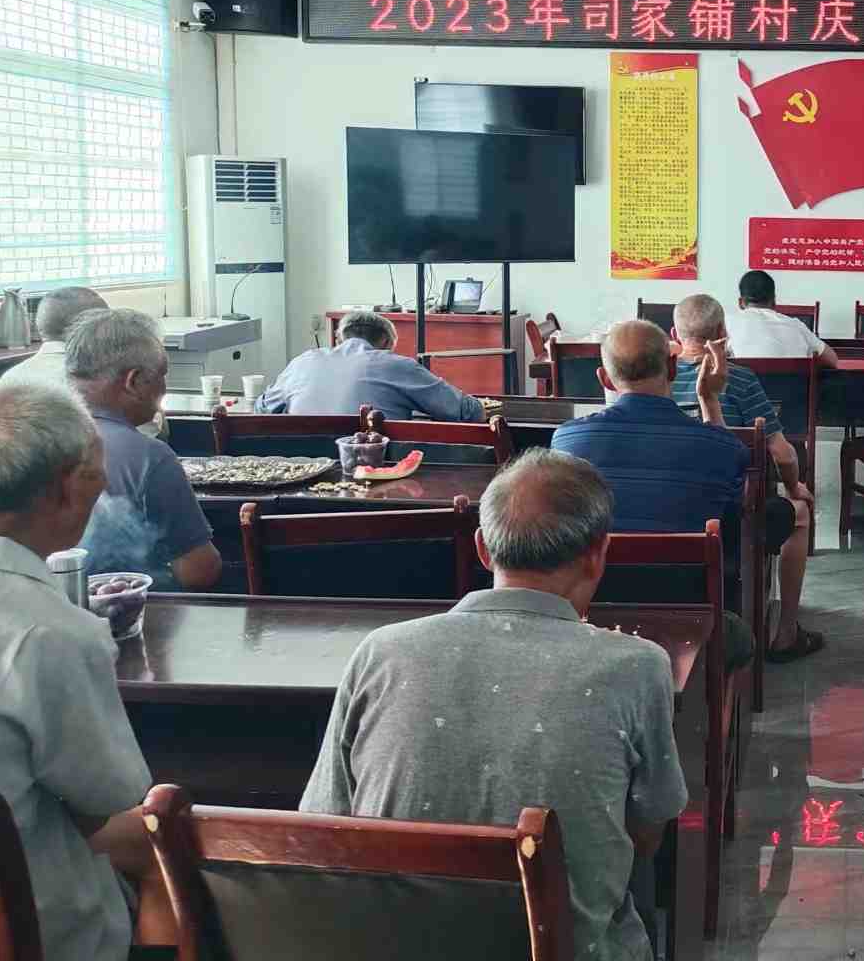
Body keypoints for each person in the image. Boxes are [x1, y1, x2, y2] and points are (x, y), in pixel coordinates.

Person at [301, 448, 686, 961]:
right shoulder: (638, 666)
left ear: (482, 548)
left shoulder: (380, 653)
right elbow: (648, 831)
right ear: (598, 554)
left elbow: (325, 824)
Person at [0, 383, 166, 961]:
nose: (104, 485)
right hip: (36, 937)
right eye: (95, 473)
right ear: (66, 486)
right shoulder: (48, 632)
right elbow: (112, 807)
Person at [551, 319, 756, 669]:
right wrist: (709, 399)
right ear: (673, 368)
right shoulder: (720, 446)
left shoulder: (567, 441)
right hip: (689, 616)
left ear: (604, 379)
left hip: (590, 612)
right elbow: (735, 503)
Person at [670, 294, 822, 662]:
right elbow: (783, 453)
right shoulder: (738, 379)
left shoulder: (657, 381)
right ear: (723, 331)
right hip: (736, 514)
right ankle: (786, 632)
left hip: (673, 509)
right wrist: (794, 487)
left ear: (674, 334)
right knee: (800, 511)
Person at [65, 308, 221, 589]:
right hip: (129, 607)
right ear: (134, 381)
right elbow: (198, 571)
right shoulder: (149, 456)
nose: (164, 387)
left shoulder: (24, 438)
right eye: (162, 375)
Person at [260, 308, 483, 422]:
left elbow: (263, 409)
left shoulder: (302, 361)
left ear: (339, 339)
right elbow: (466, 412)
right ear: (385, 343)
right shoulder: (397, 365)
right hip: (375, 471)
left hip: (304, 469)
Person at [0, 288, 164, 440]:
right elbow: (146, 435)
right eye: (105, 319)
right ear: (90, 326)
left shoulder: (9, 378)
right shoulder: (99, 377)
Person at [0, 286, 107, 389]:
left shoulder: (10, 377)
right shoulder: (97, 383)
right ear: (95, 328)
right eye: (106, 323)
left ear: (38, 324)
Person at [726, 269, 839, 368]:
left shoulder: (728, 323)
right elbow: (832, 360)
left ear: (741, 302)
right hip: (794, 386)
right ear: (774, 300)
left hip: (746, 387)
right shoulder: (797, 325)